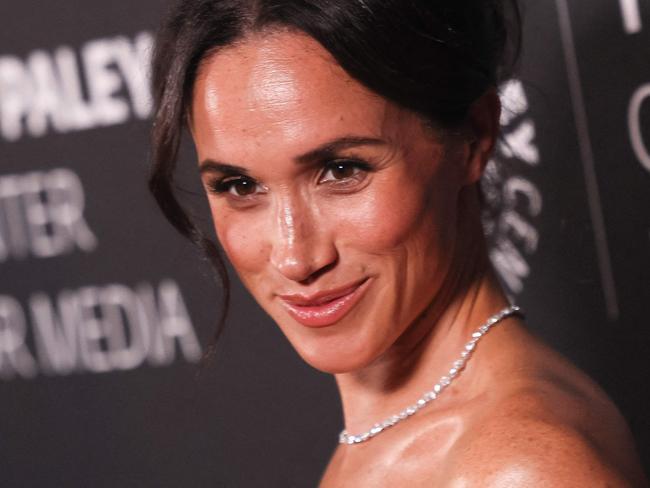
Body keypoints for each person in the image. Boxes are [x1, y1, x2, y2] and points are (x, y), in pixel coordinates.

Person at [148, 1, 648, 485]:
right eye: (239, 186)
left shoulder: (519, 468)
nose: (295, 257)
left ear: (473, 138)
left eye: (342, 171)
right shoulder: (398, 438)